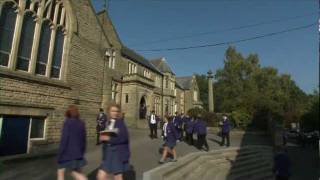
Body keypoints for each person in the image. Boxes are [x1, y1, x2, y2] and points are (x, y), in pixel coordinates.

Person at [97, 103, 130, 180]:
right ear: (109, 112)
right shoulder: (108, 122)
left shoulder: (120, 123)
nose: (115, 113)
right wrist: (102, 138)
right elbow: (107, 136)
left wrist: (108, 139)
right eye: (113, 111)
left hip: (117, 152)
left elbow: (124, 138)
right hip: (108, 152)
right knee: (101, 176)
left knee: (118, 177)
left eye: (116, 111)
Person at [57, 105, 87, 180]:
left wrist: (60, 154)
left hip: (67, 154)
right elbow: (84, 140)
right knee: (78, 172)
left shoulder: (67, 123)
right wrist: (82, 152)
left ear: (67, 113)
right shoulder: (81, 123)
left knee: (62, 172)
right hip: (78, 153)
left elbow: (64, 140)